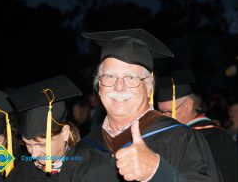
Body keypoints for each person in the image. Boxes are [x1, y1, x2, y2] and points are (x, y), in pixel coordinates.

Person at [67, 29, 222, 182]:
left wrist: (158, 172)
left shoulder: (180, 139)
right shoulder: (84, 149)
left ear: (149, 88)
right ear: (99, 87)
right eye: (110, 76)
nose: (119, 87)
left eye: (131, 78)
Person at [156, 68, 238, 182]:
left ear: (189, 105)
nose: (165, 117)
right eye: (161, 111)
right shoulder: (166, 136)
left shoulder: (217, 138)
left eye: (169, 111)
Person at [6, 75, 82, 182]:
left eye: (41, 144)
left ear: (65, 133)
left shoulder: (86, 168)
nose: (34, 154)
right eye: (28, 144)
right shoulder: (21, 172)